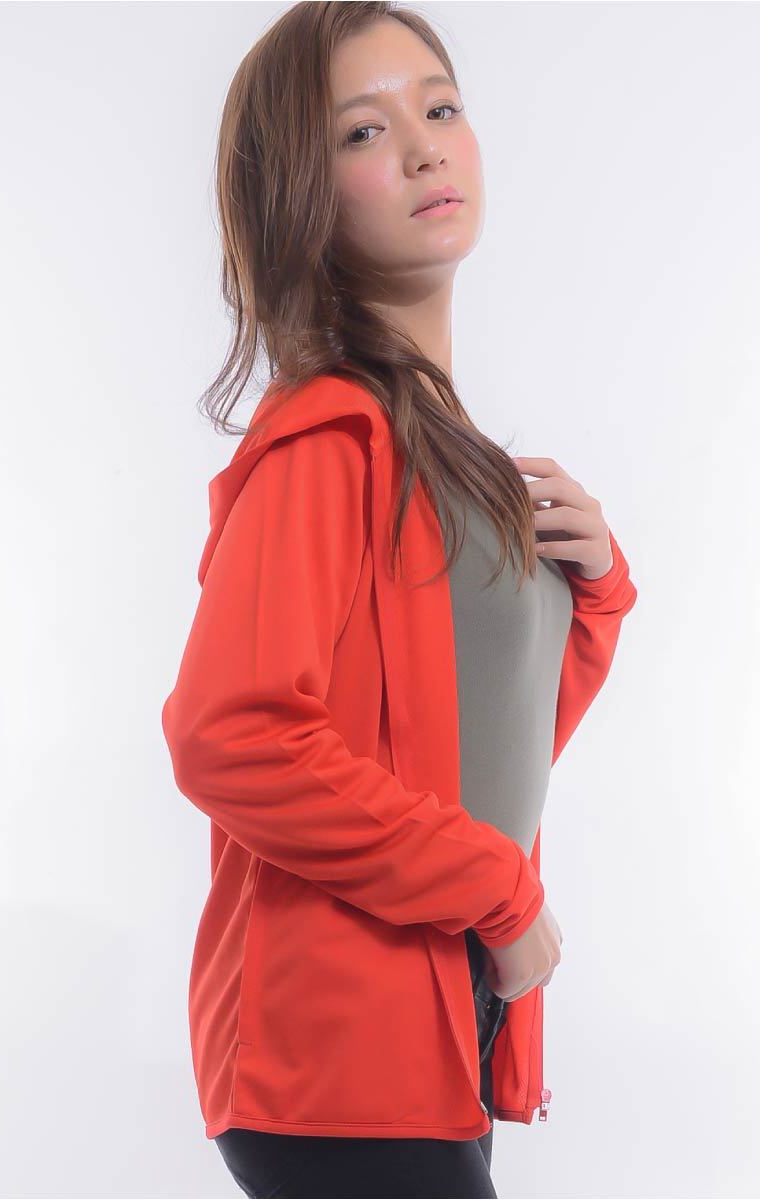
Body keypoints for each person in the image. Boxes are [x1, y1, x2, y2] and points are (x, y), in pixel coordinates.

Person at [160, 4, 639, 1196]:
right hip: (335, 1049)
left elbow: (478, 744)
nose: (425, 148)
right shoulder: (329, 441)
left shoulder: (438, 447)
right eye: (364, 132)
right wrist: (499, 893)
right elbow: (230, 734)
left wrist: (593, 596)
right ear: (302, 198)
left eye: (440, 107)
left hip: (437, 1031)